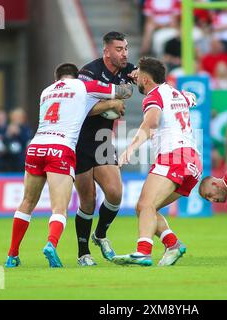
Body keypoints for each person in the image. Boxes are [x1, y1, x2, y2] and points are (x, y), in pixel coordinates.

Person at [4, 63, 131, 268]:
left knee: (27, 203)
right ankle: (51, 245)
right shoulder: (83, 87)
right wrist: (115, 98)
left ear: (57, 79)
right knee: (59, 208)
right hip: (60, 148)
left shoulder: (46, 92)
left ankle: (12, 255)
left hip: (36, 147)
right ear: (77, 77)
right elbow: (123, 92)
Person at [112, 57, 202, 267]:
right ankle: (173, 245)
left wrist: (130, 149)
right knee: (145, 207)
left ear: (145, 78)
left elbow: (151, 122)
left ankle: (143, 252)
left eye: (139, 78)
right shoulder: (175, 92)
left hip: (174, 155)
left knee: (145, 205)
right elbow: (192, 98)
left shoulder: (153, 96)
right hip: (193, 161)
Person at [75, 31, 138, 267]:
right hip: (80, 140)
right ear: (107, 52)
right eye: (119, 49)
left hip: (102, 139)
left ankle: (99, 235)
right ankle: (83, 253)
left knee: (115, 192)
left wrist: (139, 81)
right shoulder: (88, 72)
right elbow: (80, 109)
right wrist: (110, 104)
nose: (125, 53)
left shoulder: (127, 69)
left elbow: (143, 81)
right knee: (88, 200)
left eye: (126, 48)